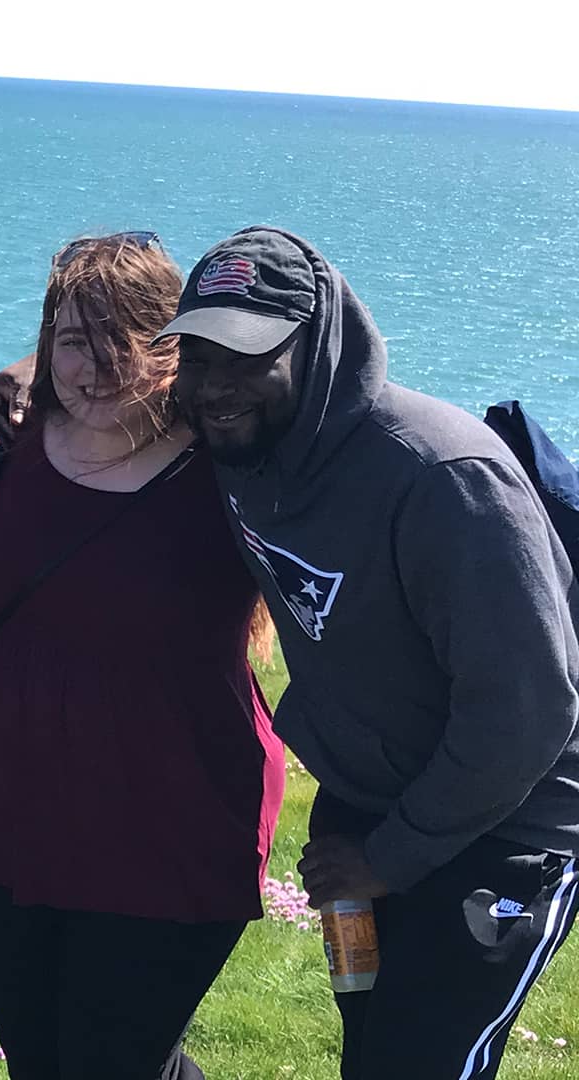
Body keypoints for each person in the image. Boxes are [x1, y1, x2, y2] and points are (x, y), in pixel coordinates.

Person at [156, 226, 579, 1079]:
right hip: (366, 812)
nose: (213, 387)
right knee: (373, 1053)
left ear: (316, 349)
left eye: (244, 358)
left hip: (506, 829)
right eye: (196, 357)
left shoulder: (441, 476)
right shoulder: (248, 450)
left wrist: (389, 859)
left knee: (423, 1065)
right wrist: (23, 393)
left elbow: (527, 712)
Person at [0, 232, 285, 1079]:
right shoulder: (9, 449)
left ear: (173, 348)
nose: (97, 366)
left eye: (125, 340)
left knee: (113, 1060)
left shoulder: (230, 467)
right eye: (73, 340)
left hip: (172, 820)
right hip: (13, 812)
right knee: (41, 1058)